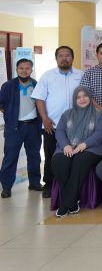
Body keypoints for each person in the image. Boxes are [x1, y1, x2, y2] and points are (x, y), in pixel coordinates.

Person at [32, 46, 83, 198]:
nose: (64, 58)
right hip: (52, 125)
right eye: (61, 56)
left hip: (76, 125)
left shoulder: (81, 75)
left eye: (67, 55)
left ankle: (70, 185)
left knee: (74, 155)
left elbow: (87, 98)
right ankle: (49, 184)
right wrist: (45, 118)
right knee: (51, 155)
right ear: (56, 58)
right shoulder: (47, 76)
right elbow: (39, 99)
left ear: (72, 58)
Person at [51, 86, 102, 217]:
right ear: (74, 100)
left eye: (85, 96)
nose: (82, 99)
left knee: (79, 161)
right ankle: (72, 201)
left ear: (90, 97)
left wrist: (85, 144)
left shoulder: (98, 114)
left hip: (92, 148)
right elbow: (60, 131)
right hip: (68, 146)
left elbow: (99, 134)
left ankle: (65, 204)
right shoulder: (67, 114)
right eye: (78, 97)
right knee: (58, 161)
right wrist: (65, 145)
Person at [0, 59, 42, 198]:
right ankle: (6, 187)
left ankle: (34, 183)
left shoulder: (36, 85)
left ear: (31, 70)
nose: (24, 70)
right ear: (16, 69)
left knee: (34, 156)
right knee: (10, 158)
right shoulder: (8, 86)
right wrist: (9, 116)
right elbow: (1, 103)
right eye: (21, 68)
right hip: (14, 128)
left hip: (33, 127)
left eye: (27, 68)